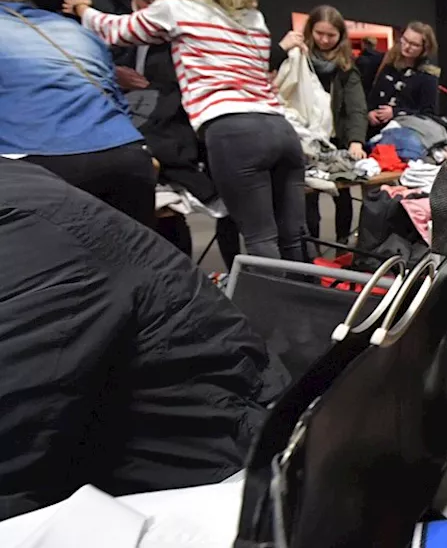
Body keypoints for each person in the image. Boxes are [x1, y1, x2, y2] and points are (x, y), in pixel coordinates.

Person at [0, 157, 288, 520]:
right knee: (271, 232)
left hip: (204, 487)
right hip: (141, 459)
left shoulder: (25, 237)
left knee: (264, 233)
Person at [63, 0, 307, 261]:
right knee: (293, 238)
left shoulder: (176, 8)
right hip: (280, 129)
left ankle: (274, 313)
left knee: (261, 239)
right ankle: (310, 310)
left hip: (233, 130)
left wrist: (83, 11)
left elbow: (115, 30)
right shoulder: (254, 18)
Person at [79, 0, 231, 259]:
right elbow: (74, 56)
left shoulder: (183, 14)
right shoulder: (99, 7)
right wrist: (110, 72)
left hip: (169, 121)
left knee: (180, 226)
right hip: (114, 123)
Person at [0, 0, 156, 227]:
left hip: (39, 164)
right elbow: (114, 99)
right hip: (126, 153)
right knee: (137, 262)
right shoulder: (75, 30)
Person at [279, 5, 368, 246]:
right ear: (310, 30)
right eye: (320, 33)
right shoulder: (298, 56)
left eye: (331, 35)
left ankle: (342, 245)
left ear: (341, 36)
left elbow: (355, 107)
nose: (325, 40)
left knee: (343, 193)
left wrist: (356, 140)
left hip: (335, 140)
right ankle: (313, 247)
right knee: (308, 196)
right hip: (304, 139)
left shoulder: (346, 67)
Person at [367, 22, 441, 135]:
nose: (407, 46)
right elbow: (372, 97)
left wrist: (396, 112)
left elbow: (428, 114)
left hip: (406, 134)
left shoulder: (427, 76)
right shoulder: (388, 67)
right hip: (375, 132)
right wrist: (370, 113)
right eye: (405, 40)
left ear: (424, 49)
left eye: (414, 44)